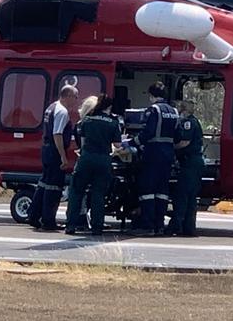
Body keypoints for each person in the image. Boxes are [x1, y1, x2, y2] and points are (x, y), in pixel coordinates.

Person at [65, 94, 122, 236]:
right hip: (103, 160)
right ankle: (97, 227)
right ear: (109, 107)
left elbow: (82, 143)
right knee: (99, 194)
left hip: (86, 159)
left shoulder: (87, 120)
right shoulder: (113, 122)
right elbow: (117, 145)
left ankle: (71, 225)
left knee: (76, 192)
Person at [27, 85, 78, 231]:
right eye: (75, 97)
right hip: (55, 151)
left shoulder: (51, 107)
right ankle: (48, 221)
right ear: (67, 95)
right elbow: (58, 134)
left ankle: (34, 215)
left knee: (44, 183)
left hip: (46, 149)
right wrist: (63, 156)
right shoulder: (62, 112)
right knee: (54, 186)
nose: (76, 100)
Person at [131, 81, 179, 236]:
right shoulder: (174, 111)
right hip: (168, 154)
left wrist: (132, 143)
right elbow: (177, 136)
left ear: (151, 96)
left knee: (148, 190)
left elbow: (148, 132)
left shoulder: (153, 110)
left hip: (153, 153)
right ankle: (159, 225)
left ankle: (147, 225)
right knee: (162, 191)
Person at [167, 100, 205, 237]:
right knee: (190, 197)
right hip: (194, 163)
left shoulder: (188, 123)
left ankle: (176, 225)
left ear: (183, 110)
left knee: (182, 195)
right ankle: (188, 228)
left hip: (190, 163)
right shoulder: (194, 121)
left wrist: (169, 146)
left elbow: (185, 142)